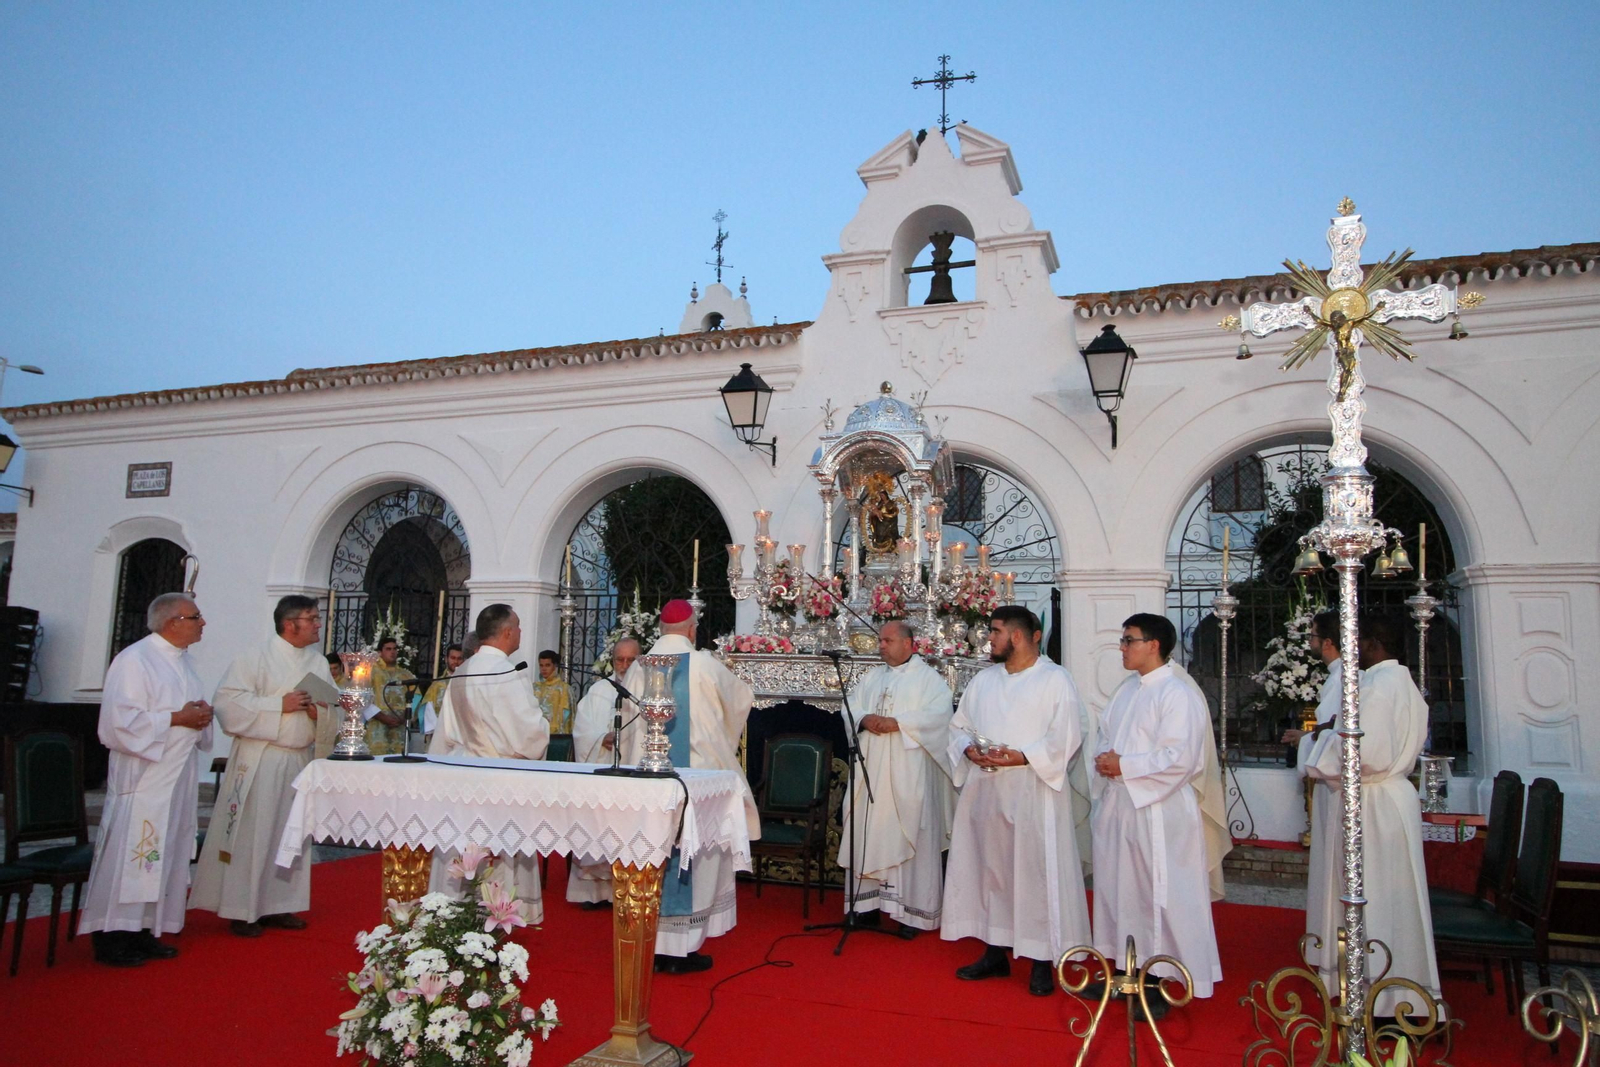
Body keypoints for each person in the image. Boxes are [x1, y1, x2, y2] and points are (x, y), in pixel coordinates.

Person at [941, 605, 1091, 997]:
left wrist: (1023, 756)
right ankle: (996, 949)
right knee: (992, 869)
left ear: (1019, 636)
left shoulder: (1055, 680)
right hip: (986, 792)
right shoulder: (984, 681)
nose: (989, 638)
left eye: (995, 631)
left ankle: (1042, 958)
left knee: (1034, 872)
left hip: (1032, 792)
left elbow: (1068, 735)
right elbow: (958, 727)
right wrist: (968, 749)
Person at [1303, 612, 1439, 1014]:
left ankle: (1382, 998)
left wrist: (1318, 746)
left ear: (1370, 644)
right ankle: (1384, 991)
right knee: (1389, 897)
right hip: (1383, 799)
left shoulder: (1378, 687)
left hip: (1373, 801)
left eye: (1355, 642)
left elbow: (1364, 752)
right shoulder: (1401, 683)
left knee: (1377, 897)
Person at [1092, 613, 1223, 1010]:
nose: (1122, 647)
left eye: (1129, 640)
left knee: (1159, 892)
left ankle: (1161, 977)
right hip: (1121, 805)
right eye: (1122, 639)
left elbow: (1181, 758)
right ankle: (1126, 968)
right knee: (1121, 887)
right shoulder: (1126, 690)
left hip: (1159, 808)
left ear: (1154, 645)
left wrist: (1125, 766)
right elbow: (1104, 736)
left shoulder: (1177, 693)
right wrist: (1105, 761)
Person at [620, 600, 756, 974]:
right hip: (698, 783)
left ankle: (652, 943)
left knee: (654, 852)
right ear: (692, 629)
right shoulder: (708, 666)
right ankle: (682, 948)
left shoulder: (639, 668)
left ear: (660, 629)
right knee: (698, 855)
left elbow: (627, 722)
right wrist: (721, 743)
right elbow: (741, 702)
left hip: (650, 783)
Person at [81, 593, 214, 967]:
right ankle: (111, 937)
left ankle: (142, 929)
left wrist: (202, 716)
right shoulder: (134, 661)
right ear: (172, 621)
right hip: (143, 779)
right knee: (131, 852)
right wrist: (176, 719)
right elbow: (117, 724)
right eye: (196, 616)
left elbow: (187, 714)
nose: (203, 623)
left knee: (163, 851)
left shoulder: (184, 663)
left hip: (174, 776)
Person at [191, 595, 336, 936]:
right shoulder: (254, 657)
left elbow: (334, 710)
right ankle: (242, 909)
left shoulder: (317, 663)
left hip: (299, 759)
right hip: (262, 757)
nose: (318, 623)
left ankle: (278, 904)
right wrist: (278, 705)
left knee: (289, 834)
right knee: (253, 834)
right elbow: (226, 705)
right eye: (312, 618)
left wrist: (322, 714)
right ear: (290, 624)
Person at [427, 604, 549, 921]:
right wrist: (543, 727)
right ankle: (492, 919)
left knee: (462, 846)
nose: (521, 632)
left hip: (462, 774)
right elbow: (527, 735)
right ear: (507, 632)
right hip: (498, 777)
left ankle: (454, 914)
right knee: (498, 854)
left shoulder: (461, 672)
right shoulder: (506, 673)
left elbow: (445, 733)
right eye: (519, 626)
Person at [838, 619, 955, 933]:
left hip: (909, 770)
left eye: (888, 641)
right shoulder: (872, 677)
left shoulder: (929, 680)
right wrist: (865, 719)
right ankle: (865, 906)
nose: (881, 646)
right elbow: (850, 707)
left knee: (909, 830)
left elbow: (940, 717)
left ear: (908, 644)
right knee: (867, 828)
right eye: (881, 641)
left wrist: (898, 723)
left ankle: (912, 912)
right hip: (871, 768)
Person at [1281, 610, 1343, 975]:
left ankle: (1335, 949)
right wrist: (1310, 737)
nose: (1311, 642)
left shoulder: (1347, 679)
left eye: (1315, 635)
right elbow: (1331, 729)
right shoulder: (1336, 678)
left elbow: (1338, 734)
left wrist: (1309, 740)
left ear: (1329, 641)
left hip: (1338, 789)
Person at [565, 636, 642, 907]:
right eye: (620, 659)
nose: (624, 665)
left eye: (631, 660)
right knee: (598, 828)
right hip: (603, 769)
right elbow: (582, 730)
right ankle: (594, 894)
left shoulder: (646, 692)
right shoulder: (600, 690)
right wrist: (602, 738)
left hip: (632, 779)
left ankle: (626, 890)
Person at [366, 637, 415, 755]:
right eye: (388, 649)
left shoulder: (406, 674)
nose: (392, 652)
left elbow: (415, 697)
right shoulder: (370, 672)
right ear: (380, 652)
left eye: (394, 649)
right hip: (377, 723)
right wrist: (382, 717)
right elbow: (363, 697)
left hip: (400, 725)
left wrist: (405, 715)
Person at [419, 643, 465, 738]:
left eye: (459, 658)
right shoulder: (437, 684)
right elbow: (428, 707)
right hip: (440, 733)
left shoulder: (468, 682)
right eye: (453, 658)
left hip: (462, 733)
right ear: (446, 659)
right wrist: (436, 730)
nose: (456, 661)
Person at [534, 649, 575, 734]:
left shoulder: (564, 689)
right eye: (541, 665)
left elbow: (570, 717)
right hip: (537, 735)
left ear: (555, 665)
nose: (544, 669)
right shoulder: (535, 688)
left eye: (547, 665)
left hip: (557, 736)